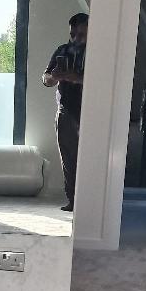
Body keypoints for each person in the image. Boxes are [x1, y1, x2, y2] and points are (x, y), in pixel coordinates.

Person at [43, 13, 88, 212]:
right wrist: (53, 78)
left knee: (89, 158)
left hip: (92, 112)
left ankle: (89, 202)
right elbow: (45, 78)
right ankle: (73, 200)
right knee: (68, 159)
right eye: (73, 34)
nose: (76, 39)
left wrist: (75, 77)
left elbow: (102, 82)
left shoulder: (98, 52)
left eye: (81, 34)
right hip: (65, 111)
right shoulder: (62, 50)